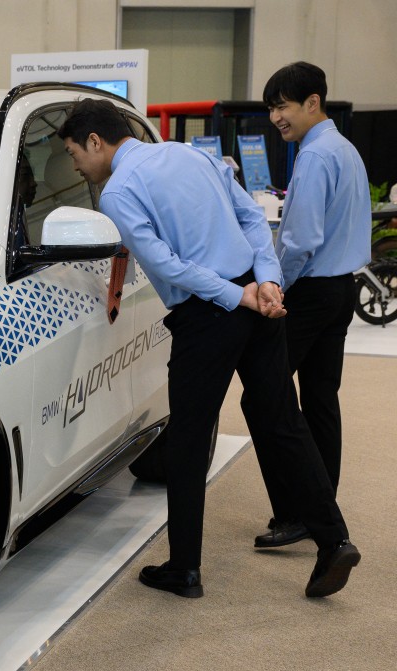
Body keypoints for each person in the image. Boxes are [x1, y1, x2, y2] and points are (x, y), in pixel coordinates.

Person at [57, 98, 360, 599]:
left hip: (208, 313)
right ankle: (334, 540)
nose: (75, 165)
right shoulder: (190, 155)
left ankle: (184, 569)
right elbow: (251, 219)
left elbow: (168, 264)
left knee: (190, 439)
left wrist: (234, 294)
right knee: (285, 422)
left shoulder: (119, 192)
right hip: (255, 301)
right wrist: (265, 280)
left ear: (95, 141)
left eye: (73, 153)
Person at [250, 62, 371, 549]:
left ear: (312, 102)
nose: (276, 117)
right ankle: (322, 506)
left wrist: (274, 283)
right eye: (272, 108)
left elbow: (300, 241)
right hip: (342, 289)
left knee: (265, 395)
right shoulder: (345, 149)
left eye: (282, 106)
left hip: (312, 292)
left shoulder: (316, 157)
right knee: (321, 400)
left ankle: (299, 512)